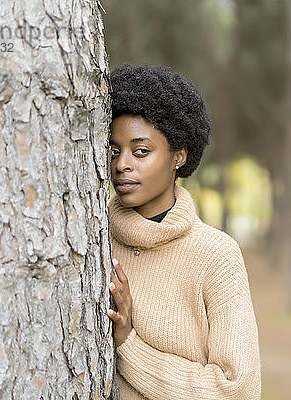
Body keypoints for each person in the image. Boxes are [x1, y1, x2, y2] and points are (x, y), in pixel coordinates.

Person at [106, 63, 261, 400]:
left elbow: (237, 390)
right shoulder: (91, 243)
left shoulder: (216, 255)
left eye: (141, 151)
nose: (122, 164)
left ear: (178, 155)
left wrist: (129, 345)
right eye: (114, 150)